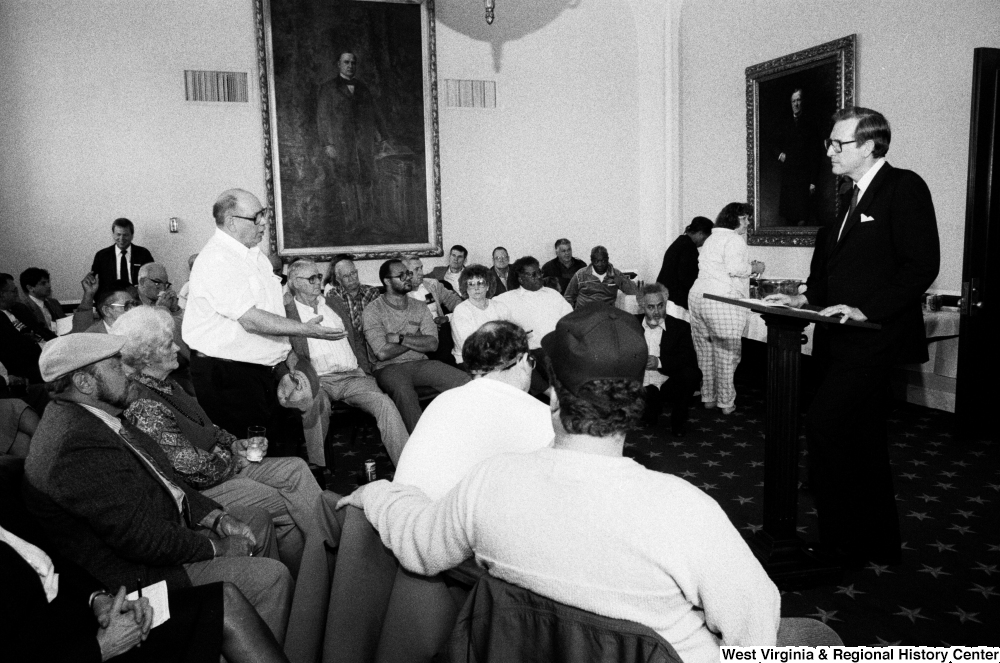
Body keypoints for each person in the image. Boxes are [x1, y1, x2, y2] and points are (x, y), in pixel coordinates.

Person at [339, 302, 834, 663]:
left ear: (553, 396)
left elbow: (419, 544)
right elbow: (753, 636)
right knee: (819, 639)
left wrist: (377, 491)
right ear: (636, 403)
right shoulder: (685, 510)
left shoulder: (490, 482)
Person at [23, 333, 294, 645]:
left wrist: (218, 519)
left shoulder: (97, 416)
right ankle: (253, 641)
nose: (127, 372)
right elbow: (140, 538)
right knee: (272, 578)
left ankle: (254, 639)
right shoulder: (74, 444)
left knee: (256, 519)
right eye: (115, 367)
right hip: (138, 575)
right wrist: (217, 548)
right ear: (84, 383)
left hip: (161, 531)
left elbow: (167, 479)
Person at [114, 306, 344, 663]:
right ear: (145, 358)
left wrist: (233, 442)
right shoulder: (144, 404)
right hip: (203, 488)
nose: (178, 348)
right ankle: (317, 580)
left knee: (297, 468)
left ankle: (321, 569)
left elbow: (208, 426)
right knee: (278, 502)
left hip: (225, 464)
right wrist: (231, 457)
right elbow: (190, 470)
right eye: (167, 346)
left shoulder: (169, 383)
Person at [765, 106, 939, 568]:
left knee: (826, 426)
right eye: (829, 142)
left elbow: (921, 265)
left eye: (837, 144)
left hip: (872, 337)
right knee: (862, 439)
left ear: (868, 145)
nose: (828, 151)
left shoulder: (904, 187)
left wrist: (868, 308)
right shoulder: (848, 196)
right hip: (838, 339)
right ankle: (876, 540)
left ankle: (840, 544)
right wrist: (807, 298)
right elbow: (837, 270)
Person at [182, 188, 342, 451]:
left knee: (281, 447)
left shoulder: (255, 256)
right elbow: (252, 320)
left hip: (261, 371)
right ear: (232, 221)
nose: (264, 222)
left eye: (264, 214)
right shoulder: (217, 260)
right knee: (253, 454)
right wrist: (306, 330)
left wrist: (287, 361)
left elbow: (273, 314)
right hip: (228, 377)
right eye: (256, 217)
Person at [0, 525, 290, 663]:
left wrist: (100, 600)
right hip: (77, 653)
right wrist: (100, 648)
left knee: (226, 600)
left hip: (87, 623)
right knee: (266, 578)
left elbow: (53, 556)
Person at [284, 259, 408, 466]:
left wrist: (365, 370)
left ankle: (407, 466)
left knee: (385, 404)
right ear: (295, 282)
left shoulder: (333, 304)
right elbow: (284, 349)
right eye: (312, 278)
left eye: (319, 277)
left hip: (353, 376)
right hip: (320, 380)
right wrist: (297, 372)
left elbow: (355, 339)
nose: (318, 282)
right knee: (315, 406)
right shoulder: (286, 312)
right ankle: (318, 469)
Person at [362, 259, 470, 433]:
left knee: (466, 381)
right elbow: (382, 353)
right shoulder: (373, 310)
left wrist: (401, 338)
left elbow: (433, 344)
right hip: (388, 368)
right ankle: (419, 444)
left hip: (421, 363)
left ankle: (466, 433)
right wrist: (417, 338)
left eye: (408, 274)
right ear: (387, 281)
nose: (408, 278)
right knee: (404, 393)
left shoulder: (420, 307)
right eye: (401, 275)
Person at [687, 203, 764, 415]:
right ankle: (726, 403)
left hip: (697, 297)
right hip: (720, 299)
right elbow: (734, 269)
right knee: (727, 354)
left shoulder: (712, 238)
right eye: (745, 218)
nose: (748, 223)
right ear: (733, 219)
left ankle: (708, 398)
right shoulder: (734, 239)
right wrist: (755, 268)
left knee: (705, 352)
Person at [316, 51, 391, 235]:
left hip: (364, 145)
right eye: (346, 62)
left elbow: (374, 113)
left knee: (366, 181)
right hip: (342, 146)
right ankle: (351, 225)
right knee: (346, 183)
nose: (350, 66)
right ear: (338, 65)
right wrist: (328, 144)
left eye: (353, 63)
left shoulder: (363, 88)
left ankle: (368, 223)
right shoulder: (328, 88)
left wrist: (383, 137)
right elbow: (322, 117)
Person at [635, 283, 701, 437]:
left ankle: (678, 418)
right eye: (650, 307)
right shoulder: (631, 324)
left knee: (692, 373)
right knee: (648, 417)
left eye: (660, 306)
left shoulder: (680, 327)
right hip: (641, 383)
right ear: (642, 306)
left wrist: (659, 362)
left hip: (667, 381)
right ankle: (650, 408)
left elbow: (688, 358)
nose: (656, 312)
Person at [493, 256, 573, 353]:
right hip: (531, 352)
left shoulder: (553, 294)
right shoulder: (506, 300)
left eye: (539, 272)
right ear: (521, 279)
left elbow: (570, 319)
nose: (539, 276)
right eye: (533, 274)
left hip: (559, 349)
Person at [772, 88, 823, 226]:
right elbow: (774, 144)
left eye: (798, 100)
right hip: (789, 176)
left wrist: (813, 181)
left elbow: (816, 154)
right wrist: (780, 155)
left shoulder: (811, 123)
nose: (796, 104)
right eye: (793, 101)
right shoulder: (785, 123)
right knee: (789, 218)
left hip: (804, 177)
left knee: (803, 218)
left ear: (803, 102)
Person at [450, 264, 511, 366]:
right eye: (471, 284)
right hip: (471, 361)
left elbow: (511, 334)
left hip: (501, 357)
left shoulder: (500, 306)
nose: (476, 288)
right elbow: (469, 346)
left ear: (488, 286)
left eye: (481, 283)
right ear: (465, 288)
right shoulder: (461, 311)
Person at [655, 216, 713, 315]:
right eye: (705, 239)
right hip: (675, 301)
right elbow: (687, 278)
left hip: (665, 297)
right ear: (700, 233)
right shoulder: (688, 248)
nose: (704, 243)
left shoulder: (680, 242)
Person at [0, 273, 44, 383]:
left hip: (44, 353)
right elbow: (11, 351)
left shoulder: (20, 309)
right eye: (14, 291)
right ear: (2, 295)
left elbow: (40, 330)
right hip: (24, 369)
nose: (17, 294)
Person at [562, 245, 639, 308]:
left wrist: (615, 278)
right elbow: (568, 297)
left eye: (603, 261)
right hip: (584, 315)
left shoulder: (616, 273)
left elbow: (634, 291)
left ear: (608, 259)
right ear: (591, 260)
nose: (600, 264)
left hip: (607, 315)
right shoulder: (580, 275)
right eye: (596, 261)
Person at [90, 218, 154, 293]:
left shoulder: (143, 254)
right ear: (113, 234)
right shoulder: (102, 256)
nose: (121, 238)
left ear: (132, 235)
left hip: (138, 299)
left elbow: (152, 279)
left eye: (125, 235)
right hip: (110, 300)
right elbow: (94, 284)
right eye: (118, 234)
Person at [324, 254, 381, 337]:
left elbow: (377, 323)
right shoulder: (333, 295)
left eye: (353, 273)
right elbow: (335, 324)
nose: (351, 279)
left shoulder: (372, 292)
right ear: (338, 280)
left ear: (357, 272)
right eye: (346, 276)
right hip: (347, 339)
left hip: (369, 339)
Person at [18, 267, 66, 335]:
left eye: (48, 282)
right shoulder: (23, 308)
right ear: (30, 288)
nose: (49, 286)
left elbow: (66, 322)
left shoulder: (54, 303)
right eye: (43, 283)